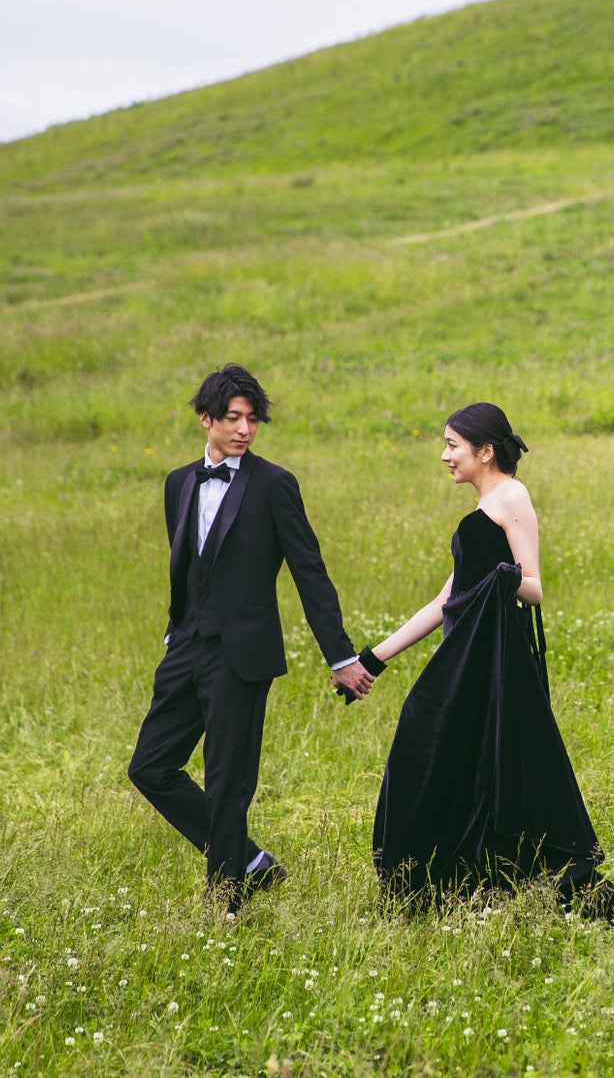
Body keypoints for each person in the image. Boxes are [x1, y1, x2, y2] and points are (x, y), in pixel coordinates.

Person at [363, 402, 614, 922]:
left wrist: (504, 576)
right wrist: (372, 660)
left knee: (467, 754)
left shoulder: (512, 496)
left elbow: (533, 587)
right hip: (464, 655)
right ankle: (443, 887)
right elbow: (444, 601)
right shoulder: (483, 505)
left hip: (493, 658)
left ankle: (473, 885)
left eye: (452, 445)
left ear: (485, 451)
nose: (445, 456)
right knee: (445, 754)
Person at [126, 364, 376, 916]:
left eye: (253, 419)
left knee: (227, 782)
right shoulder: (179, 483)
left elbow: (309, 572)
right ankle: (250, 860)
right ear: (206, 419)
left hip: (241, 656)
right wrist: (175, 629)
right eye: (233, 418)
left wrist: (340, 655)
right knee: (149, 767)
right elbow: (186, 565)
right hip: (186, 647)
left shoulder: (274, 484)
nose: (244, 429)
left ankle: (226, 905)